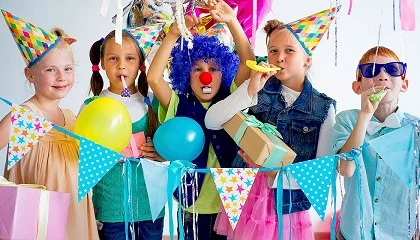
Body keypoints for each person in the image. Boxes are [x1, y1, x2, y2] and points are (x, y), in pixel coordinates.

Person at [205, 7, 339, 240]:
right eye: (273, 51)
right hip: (244, 196)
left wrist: (273, 174)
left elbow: (322, 172)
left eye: (289, 51)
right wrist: (249, 91)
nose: (279, 57)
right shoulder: (258, 88)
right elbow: (212, 121)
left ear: (307, 59)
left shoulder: (323, 108)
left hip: (286, 204)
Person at [147, 0, 254, 238]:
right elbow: (154, 78)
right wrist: (174, 34)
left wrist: (233, 21)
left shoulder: (231, 99)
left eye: (214, 69)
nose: (206, 76)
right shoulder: (179, 103)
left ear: (224, 72)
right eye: (197, 69)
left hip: (230, 203)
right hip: (191, 205)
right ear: (186, 73)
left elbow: (248, 63)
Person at [0, 10, 99, 239]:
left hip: (75, 212)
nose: (61, 77)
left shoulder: (72, 118)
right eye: (50, 70)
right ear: (30, 75)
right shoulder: (26, 115)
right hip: (37, 218)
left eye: (67, 69)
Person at [84, 27, 164, 239]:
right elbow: (83, 159)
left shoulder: (155, 103)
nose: (121, 65)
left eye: (129, 58)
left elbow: (171, 151)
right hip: (111, 207)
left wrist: (160, 153)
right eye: (113, 58)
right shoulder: (92, 107)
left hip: (150, 207)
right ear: (101, 62)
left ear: (140, 64)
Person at [333, 46, 418, 240]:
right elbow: (346, 169)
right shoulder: (346, 120)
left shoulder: (415, 128)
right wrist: (365, 115)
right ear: (357, 86)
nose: (382, 75)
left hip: (401, 233)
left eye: (392, 69)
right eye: (371, 71)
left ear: (404, 84)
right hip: (355, 231)